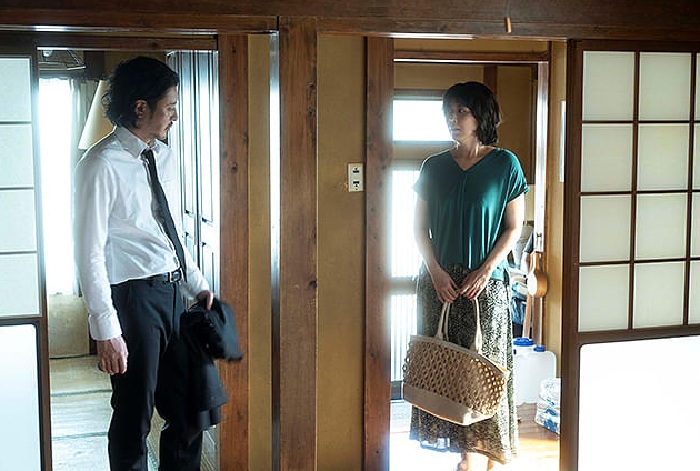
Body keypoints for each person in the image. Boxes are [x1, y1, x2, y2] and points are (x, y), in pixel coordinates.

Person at [73, 56, 214, 470]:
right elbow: (88, 251)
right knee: (133, 416)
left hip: (173, 295)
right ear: (140, 107)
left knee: (189, 410)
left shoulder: (165, 157)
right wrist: (106, 329)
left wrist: (196, 283)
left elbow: (171, 230)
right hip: (133, 300)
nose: (175, 116)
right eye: (169, 106)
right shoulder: (100, 164)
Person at [410, 81, 528, 470]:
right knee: (444, 368)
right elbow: (418, 229)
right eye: (449, 112)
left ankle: (486, 451)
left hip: (486, 286)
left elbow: (513, 228)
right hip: (439, 284)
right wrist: (435, 272)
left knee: (484, 367)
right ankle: (464, 457)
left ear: (481, 117)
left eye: (461, 111)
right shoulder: (433, 167)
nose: (453, 118)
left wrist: (486, 270)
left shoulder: (505, 165)